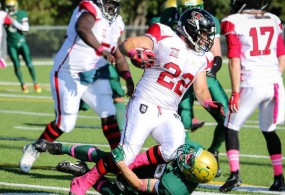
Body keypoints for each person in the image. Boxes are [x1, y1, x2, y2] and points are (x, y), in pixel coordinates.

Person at [68, 8, 225, 195]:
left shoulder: (203, 57)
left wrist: (208, 103)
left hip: (169, 111)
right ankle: (82, 182)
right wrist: (135, 52)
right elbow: (127, 43)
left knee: (173, 150)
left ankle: (127, 170)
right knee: (125, 154)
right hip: (145, 102)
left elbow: (201, 90)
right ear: (191, 29)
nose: (206, 39)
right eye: (204, 33)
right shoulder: (164, 34)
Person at [19, 0, 134, 174]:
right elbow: (83, 28)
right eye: (109, 3)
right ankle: (34, 148)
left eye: (115, 4)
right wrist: (101, 50)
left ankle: (120, 164)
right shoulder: (89, 7)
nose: (112, 8)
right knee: (65, 123)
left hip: (94, 75)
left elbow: (117, 54)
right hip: (67, 73)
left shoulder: (117, 23)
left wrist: (128, 77)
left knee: (109, 115)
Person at [219, 0, 285, 192]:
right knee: (269, 130)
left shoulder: (234, 21)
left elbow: (234, 60)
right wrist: (271, 76)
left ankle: (234, 175)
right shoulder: (273, 19)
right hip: (274, 83)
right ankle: (279, 178)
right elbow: (283, 57)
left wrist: (234, 92)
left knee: (230, 125)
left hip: (251, 83)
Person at [160, 0, 229, 177]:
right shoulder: (168, 16)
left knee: (228, 117)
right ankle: (184, 161)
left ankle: (214, 150)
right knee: (183, 117)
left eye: (196, 9)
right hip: (180, 73)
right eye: (188, 10)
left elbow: (217, 56)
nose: (193, 14)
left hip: (203, 72)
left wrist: (209, 70)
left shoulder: (210, 19)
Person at [34, 138, 218, 194]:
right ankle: (57, 147)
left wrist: (121, 163)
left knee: (119, 191)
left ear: (189, 175)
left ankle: (83, 171)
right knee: (108, 159)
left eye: (189, 160)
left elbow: (138, 184)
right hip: (153, 165)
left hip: (147, 184)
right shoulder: (196, 152)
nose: (186, 155)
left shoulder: (175, 188)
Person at [4, 0, 42, 93]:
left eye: (12, 6)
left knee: (29, 63)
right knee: (16, 65)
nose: (10, 8)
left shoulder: (21, 14)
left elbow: (25, 28)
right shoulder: (3, 15)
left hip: (21, 42)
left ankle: (35, 82)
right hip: (11, 44)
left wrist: (13, 21)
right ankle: (22, 84)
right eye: (9, 6)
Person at [0, 3, 12, 68]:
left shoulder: (2, 14)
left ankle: (2, 63)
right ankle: (2, 62)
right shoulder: (2, 14)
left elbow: (8, 22)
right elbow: (9, 22)